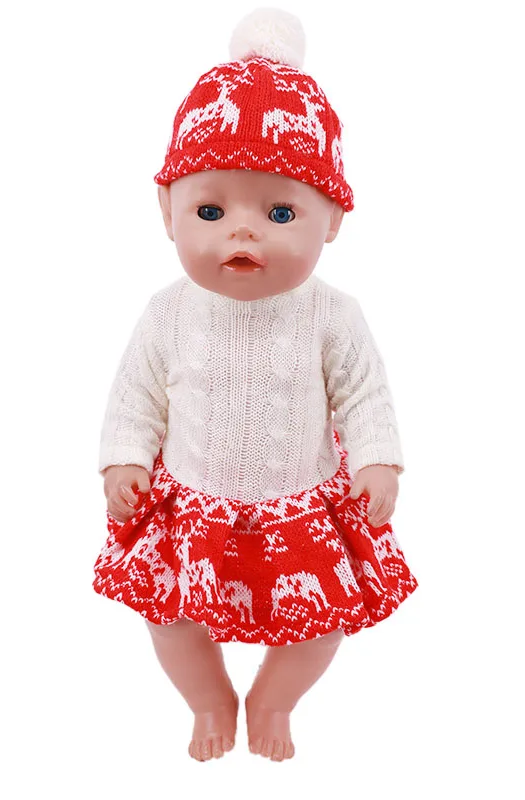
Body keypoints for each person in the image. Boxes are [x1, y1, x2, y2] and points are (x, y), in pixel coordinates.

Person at [92, 8, 418, 762]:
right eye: (210, 210)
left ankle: (274, 697)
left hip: (297, 509)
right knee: (169, 618)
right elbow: (137, 396)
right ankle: (209, 697)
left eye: (280, 211)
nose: (243, 232)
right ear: (166, 211)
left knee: (320, 625)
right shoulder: (168, 313)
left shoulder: (332, 315)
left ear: (332, 220)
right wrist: (124, 460)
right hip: (192, 507)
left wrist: (378, 460)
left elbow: (364, 395)